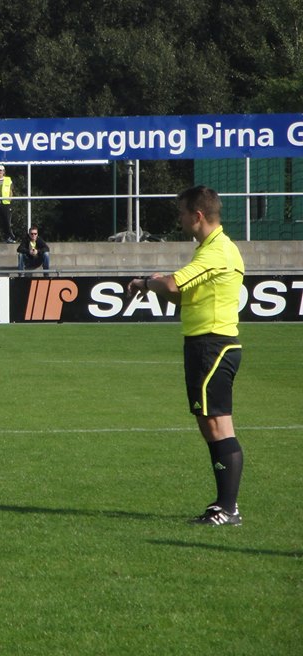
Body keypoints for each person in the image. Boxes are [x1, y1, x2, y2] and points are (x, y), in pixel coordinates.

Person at [127, 185, 246, 526]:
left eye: (181, 213)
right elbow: (182, 296)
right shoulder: (210, 249)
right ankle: (225, 506)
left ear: (197, 216)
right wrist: (156, 284)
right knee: (212, 423)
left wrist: (148, 283)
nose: (178, 219)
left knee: (217, 423)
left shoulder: (217, 251)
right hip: (207, 344)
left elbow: (173, 286)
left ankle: (227, 508)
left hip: (212, 344)